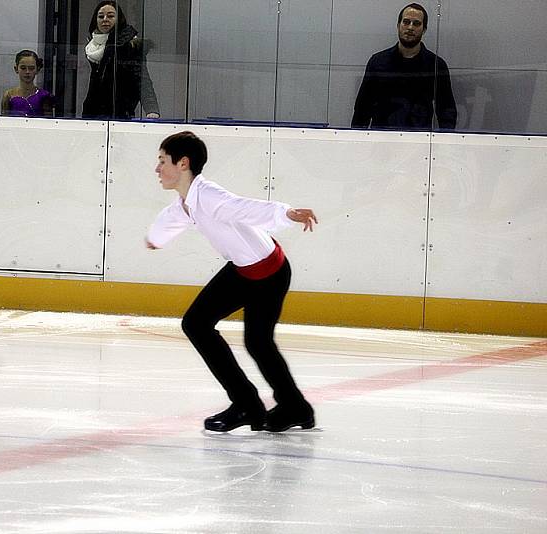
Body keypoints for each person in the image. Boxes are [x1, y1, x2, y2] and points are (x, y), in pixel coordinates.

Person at [145, 131, 317, 433]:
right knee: (197, 324)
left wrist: (286, 213)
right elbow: (171, 218)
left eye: (162, 161)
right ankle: (255, 405)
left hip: (270, 272)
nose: (157, 168)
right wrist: (154, 239)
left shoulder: (208, 196)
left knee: (256, 342)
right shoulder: (187, 202)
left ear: (183, 163)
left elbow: (245, 208)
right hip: (243, 271)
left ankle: (288, 407)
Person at [351, 3, 456, 130]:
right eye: (406, 22)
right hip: (381, 140)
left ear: (424, 29)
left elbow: (446, 111)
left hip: (420, 140)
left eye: (416, 23)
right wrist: (357, 139)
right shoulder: (378, 62)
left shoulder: (436, 65)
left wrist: (445, 143)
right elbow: (363, 107)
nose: (410, 27)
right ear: (398, 26)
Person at [81, 1, 160, 120]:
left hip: (119, 114)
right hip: (92, 114)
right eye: (101, 16)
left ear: (119, 19)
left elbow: (142, 79)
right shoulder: (92, 47)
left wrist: (151, 109)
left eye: (111, 16)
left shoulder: (128, 46)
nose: (105, 19)